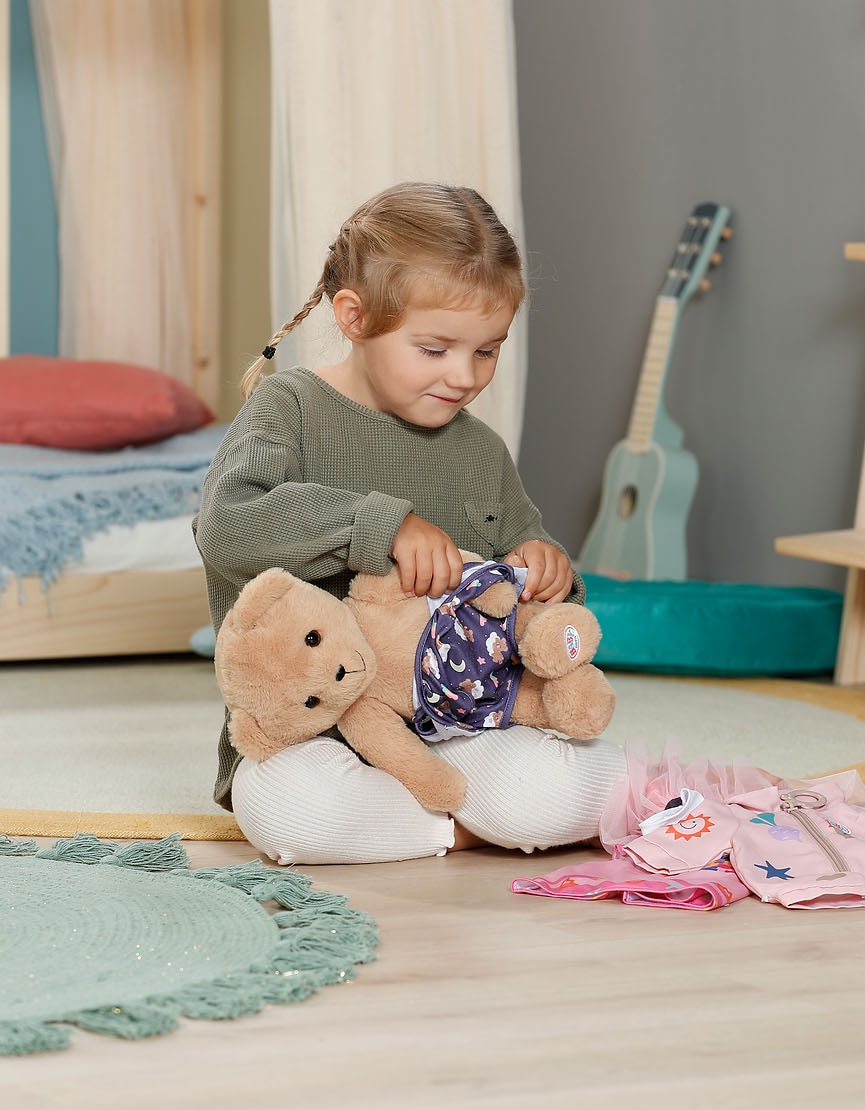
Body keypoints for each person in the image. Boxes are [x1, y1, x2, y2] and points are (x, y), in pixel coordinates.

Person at [195, 181, 625, 864]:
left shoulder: (477, 449)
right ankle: (456, 827)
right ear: (356, 317)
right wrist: (380, 527)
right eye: (435, 349)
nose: (464, 376)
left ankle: (445, 816)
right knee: (293, 814)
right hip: (317, 731)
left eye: (487, 351)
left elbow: (532, 590)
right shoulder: (290, 409)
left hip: (457, 728)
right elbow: (228, 526)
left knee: (554, 788)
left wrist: (548, 572)